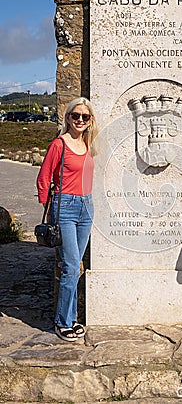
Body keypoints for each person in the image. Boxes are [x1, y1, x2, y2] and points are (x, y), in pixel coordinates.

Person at [37, 97, 98, 341]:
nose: (80, 120)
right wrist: (49, 207)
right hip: (66, 207)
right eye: (76, 116)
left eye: (85, 116)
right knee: (71, 266)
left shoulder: (89, 144)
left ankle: (70, 318)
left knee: (75, 266)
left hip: (87, 206)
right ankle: (62, 322)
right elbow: (43, 178)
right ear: (68, 117)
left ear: (90, 120)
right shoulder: (59, 144)